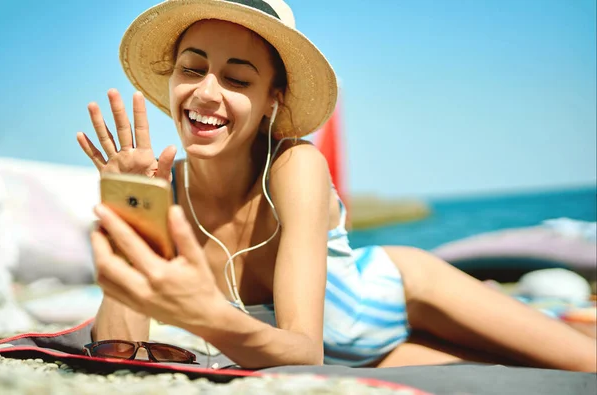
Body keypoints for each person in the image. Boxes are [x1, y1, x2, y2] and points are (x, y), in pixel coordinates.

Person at [77, 0, 596, 371]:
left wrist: (208, 318)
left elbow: (303, 351)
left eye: (237, 79)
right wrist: (131, 209)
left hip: (396, 295)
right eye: (192, 68)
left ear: (271, 99)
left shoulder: (294, 165)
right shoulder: (155, 188)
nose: (206, 92)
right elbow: (117, 351)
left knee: (584, 363)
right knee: (520, 372)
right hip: (364, 354)